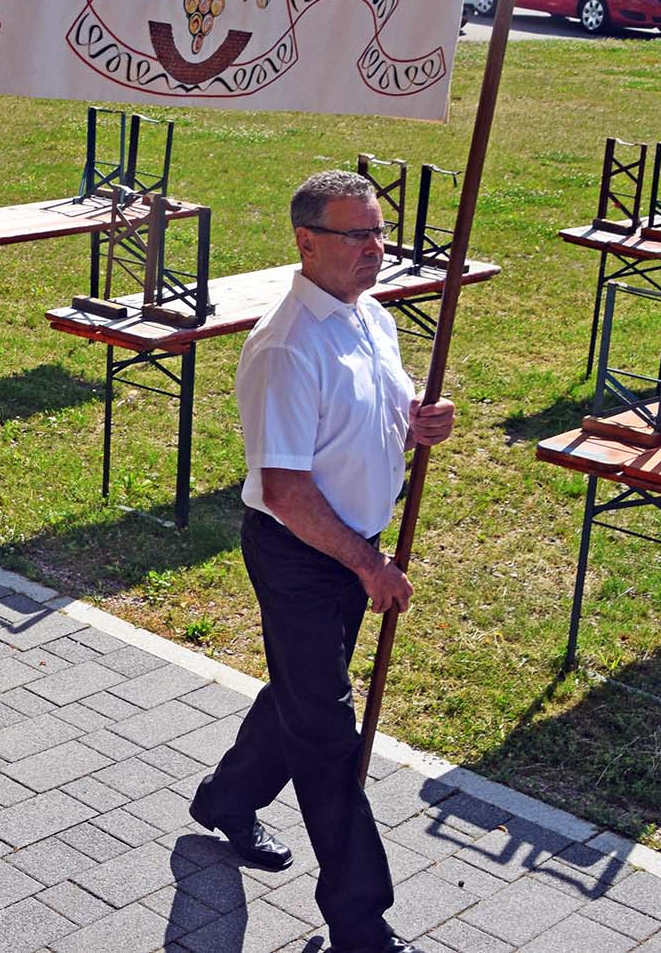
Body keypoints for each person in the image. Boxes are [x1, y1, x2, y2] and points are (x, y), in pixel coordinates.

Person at [185, 171, 454, 953]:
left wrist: (417, 423)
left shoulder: (372, 316)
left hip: (349, 551)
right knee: (328, 734)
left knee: (304, 693)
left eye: (380, 231)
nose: (378, 248)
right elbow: (286, 488)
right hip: (302, 555)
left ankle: (228, 797)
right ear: (307, 242)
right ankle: (359, 922)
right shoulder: (285, 347)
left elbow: (368, 419)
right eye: (357, 234)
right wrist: (369, 565)